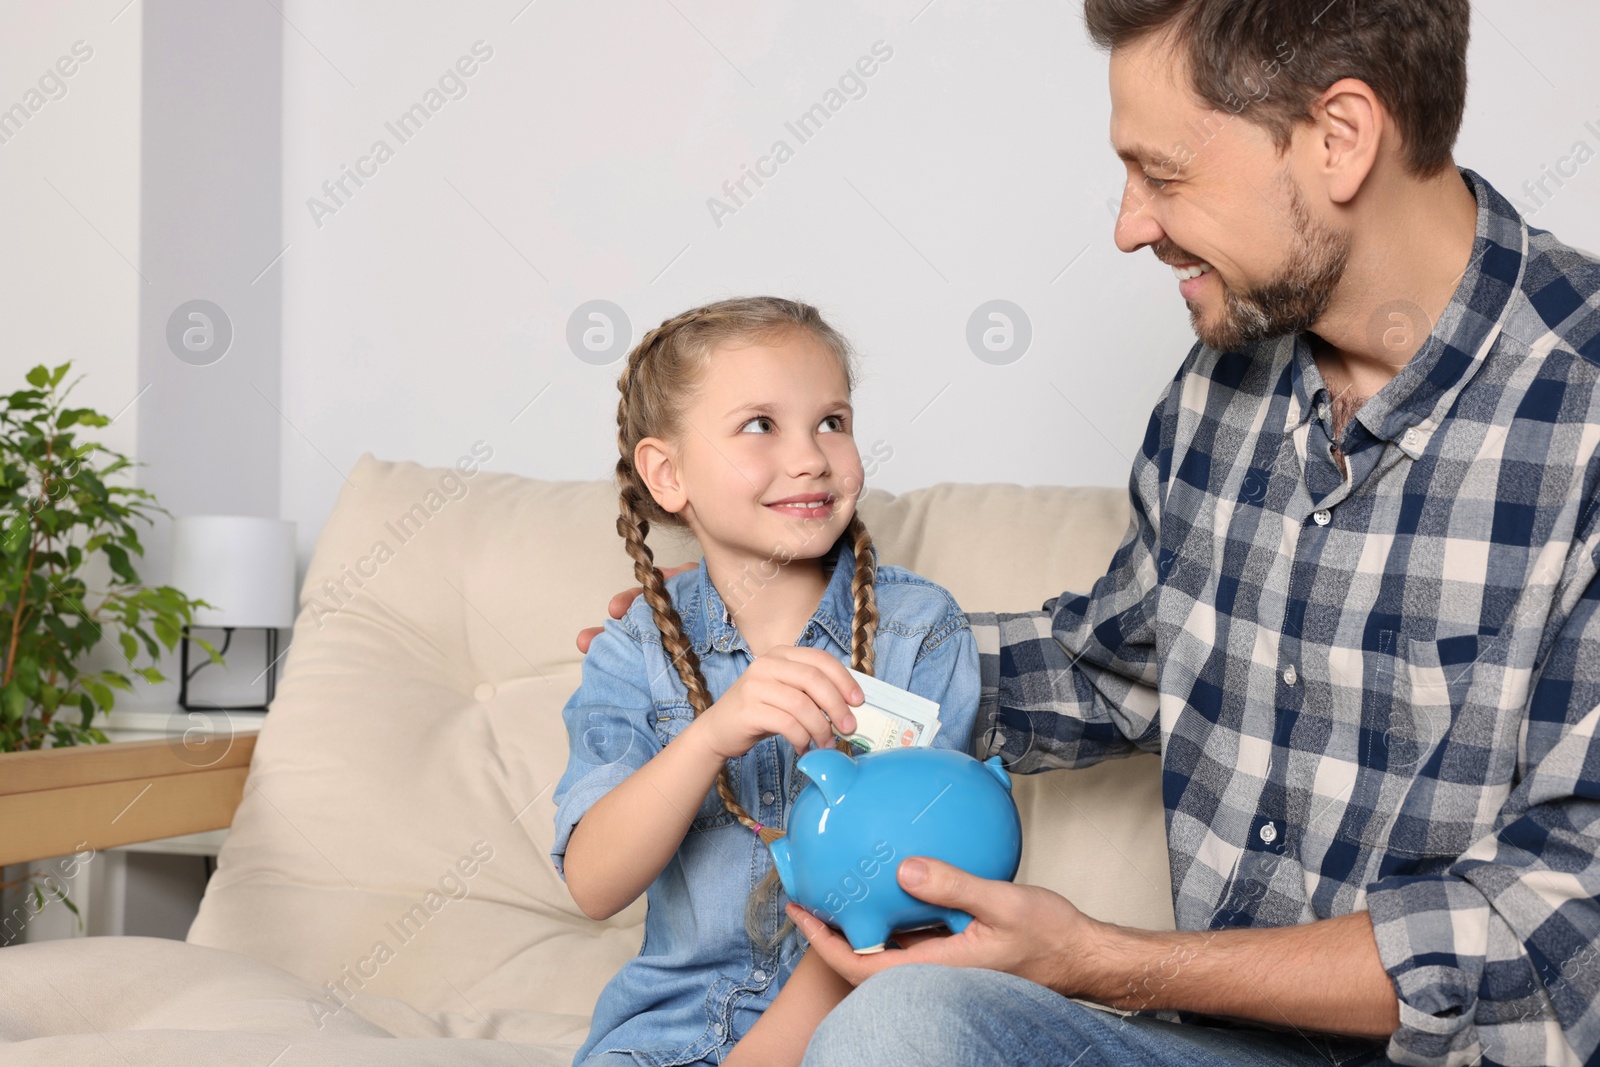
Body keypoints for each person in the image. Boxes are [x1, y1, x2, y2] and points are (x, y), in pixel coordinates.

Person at [580, 2, 1600, 1065]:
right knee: (896, 1028)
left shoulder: (1580, 414)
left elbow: (1557, 942)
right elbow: (1112, 667)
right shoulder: (1227, 384)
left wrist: (1099, 958)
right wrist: (771, 645)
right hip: (1203, 1048)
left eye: (1162, 174)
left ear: (1339, 137)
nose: (1128, 224)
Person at [552, 296, 982, 1067]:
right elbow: (593, 883)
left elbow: (909, 891)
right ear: (668, 473)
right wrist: (713, 733)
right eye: (761, 425)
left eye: (832, 420)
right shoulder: (632, 647)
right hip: (661, 1032)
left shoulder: (921, 631)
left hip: (863, 1020)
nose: (812, 456)